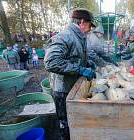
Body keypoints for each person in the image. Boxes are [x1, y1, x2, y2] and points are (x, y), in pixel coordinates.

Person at [44, 8, 96, 139]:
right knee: (65, 121)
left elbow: (75, 56)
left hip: (72, 85)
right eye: (90, 25)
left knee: (73, 118)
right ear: (82, 22)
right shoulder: (65, 36)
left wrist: (87, 63)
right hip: (62, 89)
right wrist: (79, 69)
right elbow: (51, 62)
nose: (90, 29)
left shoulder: (79, 37)